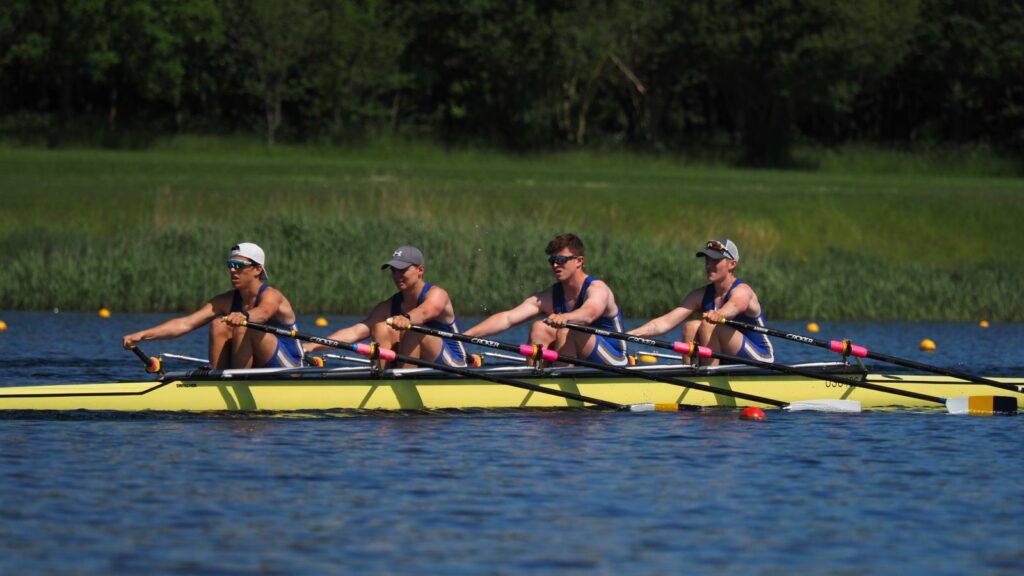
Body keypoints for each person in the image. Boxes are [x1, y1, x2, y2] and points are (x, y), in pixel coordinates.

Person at [122, 242, 304, 369]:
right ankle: (219, 378)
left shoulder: (272, 295)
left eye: (239, 265)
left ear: (258, 270)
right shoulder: (225, 300)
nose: (232, 270)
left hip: (288, 365)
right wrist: (143, 335)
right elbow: (185, 324)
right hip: (255, 365)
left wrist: (245, 316)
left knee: (243, 327)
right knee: (219, 324)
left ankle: (237, 383)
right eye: (230, 265)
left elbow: (264, 313)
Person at [463, 233, 628, 366]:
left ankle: (561, 384)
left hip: (615, 358)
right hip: (579, 358)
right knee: (539, 328)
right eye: (552, 261)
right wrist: (465, 336)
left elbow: (589, 313)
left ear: (579, 261)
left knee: (569, 330)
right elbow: (507, 318)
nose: (555, 265)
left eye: (561, 260)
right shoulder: (549, 296)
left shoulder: (597, 289)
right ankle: (537, 378)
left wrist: (566, 317)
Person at [304, 245, 467, 368]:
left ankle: (404, 385)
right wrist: (312, 346)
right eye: (393, 271)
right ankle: (383, 381)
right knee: (380, 327)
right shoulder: (389, 306)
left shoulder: (437, 294)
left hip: (453, 362)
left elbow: (424, 312)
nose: (397, 276)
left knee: (413, 331)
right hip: (422, 365)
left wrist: (407, 318)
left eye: (402, 270)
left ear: (420, 270)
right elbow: (354, 332)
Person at [628, 239, 774, 366]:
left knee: (709, 325)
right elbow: (664, 323)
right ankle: (690, 374)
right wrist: (626, 335)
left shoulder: (743, 291)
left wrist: (719, 314)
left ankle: (708, 376)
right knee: (691, 327)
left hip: (760, 358)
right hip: (729, 357)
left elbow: (735, 306)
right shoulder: (700, 295)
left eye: (715, 261)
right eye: (707, 260)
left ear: (732, 264)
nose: (709, 265)